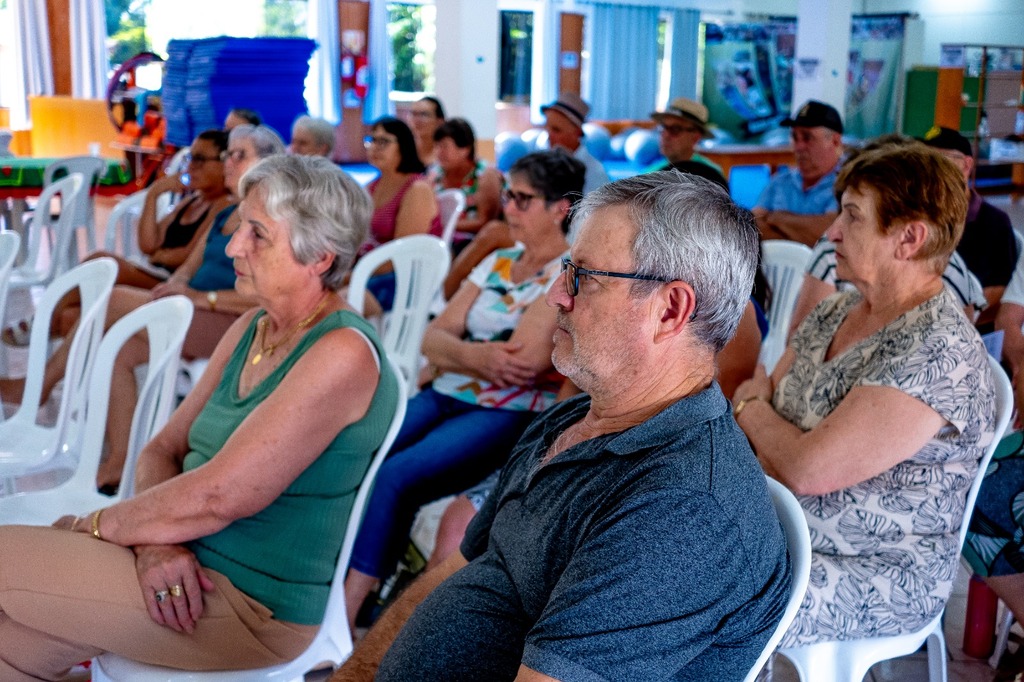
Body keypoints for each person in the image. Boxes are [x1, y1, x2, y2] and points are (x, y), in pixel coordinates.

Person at [333, 171, 791, 681]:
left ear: (669, 310)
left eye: (583, 276)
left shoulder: (681, 512)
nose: (555, 294)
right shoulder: (573, 419)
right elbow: (461, 568)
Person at [0, 154, 400, 678]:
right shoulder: (252, 328)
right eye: (239, 229)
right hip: (182, 570)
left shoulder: (341, 352)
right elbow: (161, 449)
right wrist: (152, 542)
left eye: (258, 235)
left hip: (246, 604)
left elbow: (221, 495)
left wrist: (96, 526)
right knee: (12, 643)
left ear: (320, 257)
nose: (235, 246)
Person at [733, 144, 996, 647]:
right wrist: (761, 416)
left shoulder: (936, 350)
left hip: (873, 571)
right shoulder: (839, 311)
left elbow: (808, 468)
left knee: (685, 590)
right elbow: (771, 415)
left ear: (909, 238)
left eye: (852, 216)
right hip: (780, 533)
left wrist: (751, 409)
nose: (831, 230)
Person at [342, 149, 584, 633]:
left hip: (507, 410)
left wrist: (454, 349)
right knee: (356, 446)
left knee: (397, 474)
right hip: (453, 391)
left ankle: (345, 616)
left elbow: (527, 359)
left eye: (523, 199)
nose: (508, 208)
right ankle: (342, 582)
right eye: (508, 196)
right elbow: (432, 334)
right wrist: (475, 355)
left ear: (560, 208)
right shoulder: (498, 260)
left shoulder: (568, 272)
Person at [0, 124, 286, 492]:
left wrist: (203, 299)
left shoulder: (269, 218)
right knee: (115, 349)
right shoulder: (225, 216)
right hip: (192, 309)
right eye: (228, 153)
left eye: (238, 155)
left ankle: (39, 387)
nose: (229, 162)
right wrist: (178, 286)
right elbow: (187, 268)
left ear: (267, 163)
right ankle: (121, 463)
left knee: (115, 297)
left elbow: (266, 293)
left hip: (232, 320)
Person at [2, 129, 233, 346]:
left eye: (200, 160)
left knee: (102, 262)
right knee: (71, 316)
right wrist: (154, 194)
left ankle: (43, 321)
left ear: (224, 165)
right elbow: (148, 244)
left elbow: (185, 258)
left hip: (170, 282)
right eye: (190, 158)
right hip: (154, 270)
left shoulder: (223, 207)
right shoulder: (191, 201)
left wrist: (160, 255)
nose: (191, 166)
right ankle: (61, 349)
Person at [787, 135, 988, 337]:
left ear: (910, 238)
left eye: (853, 215)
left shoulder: (939, 337)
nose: (832, 234)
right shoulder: (842, 304)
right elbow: (798, 344)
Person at [921, 126, 1018, 327]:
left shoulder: (994, 222)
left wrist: (949, 320)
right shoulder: (918, 215)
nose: (931, 170)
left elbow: (1001, 290)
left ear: (966, 165)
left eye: (941, 160)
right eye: (926, 161)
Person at [361, 116, 442, 310]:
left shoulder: (417, 189)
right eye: (372, 140)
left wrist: (356, 273)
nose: (375, 147)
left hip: (405, 278)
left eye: (384, 141)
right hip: (373, 269)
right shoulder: (371, 187)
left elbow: (403, 254)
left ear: (404, 146)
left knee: (330, 303)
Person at [753, 99, 845, 246]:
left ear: (835, 141)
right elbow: (751, 229)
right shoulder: (780, 182)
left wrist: (776, 218)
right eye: (795, 138)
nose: (799, 147)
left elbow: (830, 235)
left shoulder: (846, 184)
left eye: (807, 137)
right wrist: (805, 233)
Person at [429, 117, 503, 240]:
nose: (438, 152)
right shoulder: (435, 174)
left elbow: (485, 222)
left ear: (465, 149)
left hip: (477, 242)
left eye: (444, 147)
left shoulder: (485, 175)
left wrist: (441, 225)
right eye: (436, 146)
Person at [541, 92, 610, 196]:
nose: (549, 135)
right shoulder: (540, 160)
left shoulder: (594, 172)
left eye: (556, 130)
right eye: (547, 128)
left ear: (577, 132)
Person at [650, 96, 727, 186]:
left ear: (696, 137)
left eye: (675, 129)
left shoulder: (711, 177)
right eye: (663, 127)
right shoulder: (650, 173)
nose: (665, 135)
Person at [408, 95, 445, 166]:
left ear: (440, 121)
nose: (417, 120)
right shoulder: (402, 151)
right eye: (414, 114)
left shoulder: (447, 154)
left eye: (424, 115)